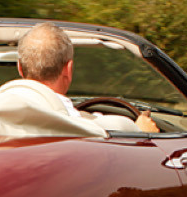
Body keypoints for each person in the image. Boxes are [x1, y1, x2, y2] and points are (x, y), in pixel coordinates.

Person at [17, 23, 159, 133]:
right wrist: (143, 131)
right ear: (68, 69)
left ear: (20, 68)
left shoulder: (5, 116)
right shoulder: (103, 127)